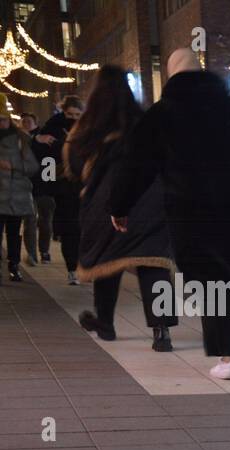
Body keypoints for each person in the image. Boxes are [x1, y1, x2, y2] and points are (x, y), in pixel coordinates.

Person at [111, 48, 230, 381]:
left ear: (171, 74)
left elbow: (137, 166)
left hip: (191, 212)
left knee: (211, 281)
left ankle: (227, 356)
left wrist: (119, 207)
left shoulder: (162, 114)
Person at [67, 66, 176, 352]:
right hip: (150, 201)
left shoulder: (88, 127)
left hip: (106, 205)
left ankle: (106, 324)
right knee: (153, 264)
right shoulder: (144, 121)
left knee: (106, 263)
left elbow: (75, 166)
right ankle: (161, 330)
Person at [35, 95, 84, 284]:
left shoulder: (88, 126)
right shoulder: (53, 127)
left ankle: (82, 265)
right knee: (70, 230)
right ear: (63, 112)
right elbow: (44, 158)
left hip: (85, 185)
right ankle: (72, 268)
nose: (73, 118)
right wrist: (49, 185)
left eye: (77, 114)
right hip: (64, 187)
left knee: (85, 229)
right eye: (69, 114)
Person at [0, 101, 38, 283]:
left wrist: (12, 165)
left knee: (14, 233)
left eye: (3, 120)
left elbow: (32, 166)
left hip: (15, 194)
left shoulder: (21, 139)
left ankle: (14, 266)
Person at [19, 112, 40, 266]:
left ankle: (43, 250)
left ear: (35, 123)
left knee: (45, 220)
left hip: (41, 186)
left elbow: (49, 159)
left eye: (28, 121)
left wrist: (49, 181)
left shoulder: (42, 138)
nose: (25, 123)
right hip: (22, 187)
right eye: (23, 121)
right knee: (30, 221)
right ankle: (32, 254)